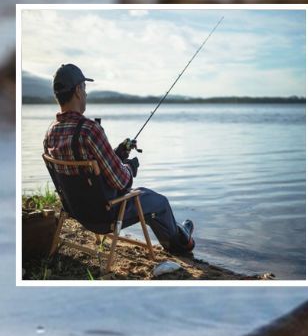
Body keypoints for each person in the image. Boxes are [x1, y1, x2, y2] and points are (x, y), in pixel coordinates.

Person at [42, 63, 195, 254]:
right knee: (159, 203)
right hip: (104, 216)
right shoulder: (90, 130)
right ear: (79, 90)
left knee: (149, 203)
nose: (86, 94)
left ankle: (179, 233)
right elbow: (121, 181)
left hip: (76, 212)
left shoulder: (50, 133)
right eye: (85, 88)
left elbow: (89, 167)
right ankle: (182, 243)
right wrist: (130, 167)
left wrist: (119, 153)